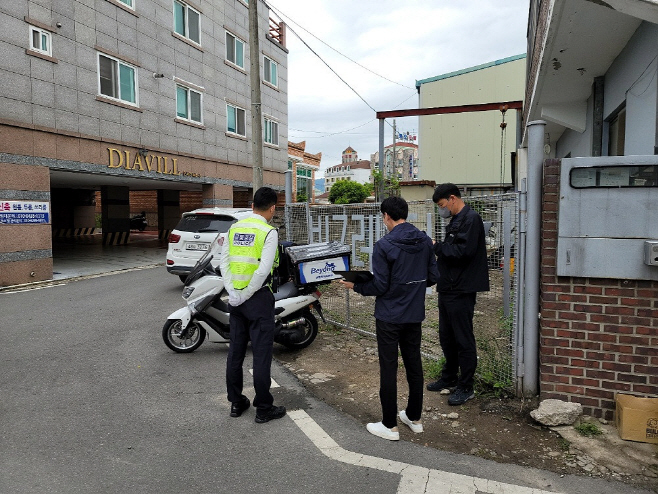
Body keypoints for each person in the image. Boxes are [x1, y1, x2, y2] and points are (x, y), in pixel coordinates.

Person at [339, 196, 438, 441]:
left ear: (386, 216)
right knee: (414, 364)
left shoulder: (384, 245)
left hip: (389, 316)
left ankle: (389, 424)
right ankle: (414, 418)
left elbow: (381, 285)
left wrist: (357, 286)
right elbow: (433, 276)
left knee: (389, 367)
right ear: (405, 213)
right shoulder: (425, 241)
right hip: (414, 314)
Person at [219, 187, 286, 424]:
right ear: (272, 208)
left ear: (251, 206)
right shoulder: (268, 232)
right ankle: (263, 408)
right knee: (261, 355)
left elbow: (223, 263)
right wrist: (246, 294)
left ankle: (236, 402)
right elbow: (262, 271)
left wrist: (233, 293)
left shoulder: (234, 229)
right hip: (257, 299)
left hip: (236, 300)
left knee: (235, 353)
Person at [427, 183, 489, 406]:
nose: (442, 210)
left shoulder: (471, 219)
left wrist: (436, 246)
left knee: (463, 338)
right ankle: (449, 376)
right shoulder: (455, 220)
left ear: (452, 198)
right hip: (448, 287)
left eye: (442, 205)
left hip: (461, 289)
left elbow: (462, 252)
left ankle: (466, 385)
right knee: (447, 336)